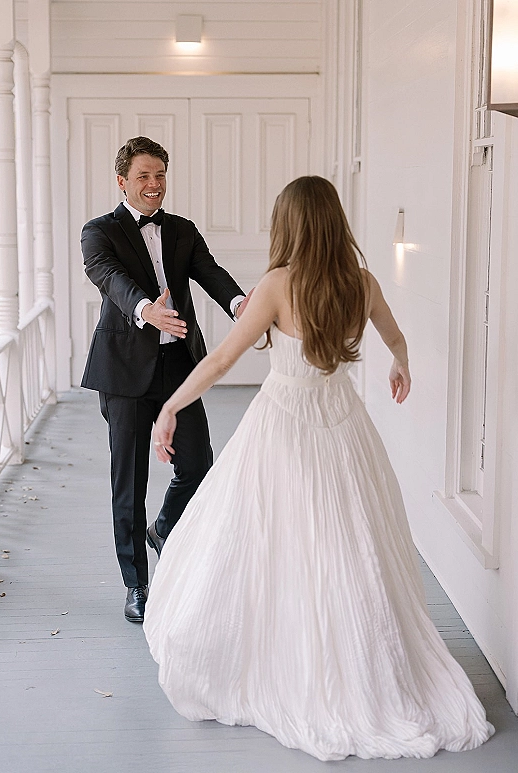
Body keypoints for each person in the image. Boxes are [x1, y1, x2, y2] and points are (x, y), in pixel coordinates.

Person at [143, 176, 494, 761]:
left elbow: (225, 358)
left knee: (273, 542)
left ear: (290, 226)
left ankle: (291, 659)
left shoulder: (277, 286)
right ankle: (356, 655)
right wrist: (400, 365)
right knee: (349, 544)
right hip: (345, 426)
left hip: (284, 423)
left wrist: (171, 404)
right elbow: (396, 338)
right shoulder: (362, 282)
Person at [81, 136, 248, 624]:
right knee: (129, 482)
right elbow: (108, 277)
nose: (154, 185)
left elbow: (209, 272)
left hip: (179, 368)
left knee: (197, 465)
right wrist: (145, 310)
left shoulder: (181, 229)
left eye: (159, 175)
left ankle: (164, 527)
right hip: (124, 370)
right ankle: (137, 584)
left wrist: (240, 304)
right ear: (122, 181)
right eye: (143, 177)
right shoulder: (99, 231)